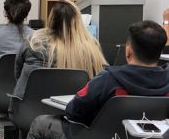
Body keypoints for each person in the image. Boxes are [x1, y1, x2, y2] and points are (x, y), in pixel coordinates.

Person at [27, 20, 169, 139]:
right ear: (160, 52)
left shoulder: (108, 79)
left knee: (40, 123)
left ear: (128, 50)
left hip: (99, 135)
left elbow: (74, 110)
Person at [12, 0, 106, 99]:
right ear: (78, 22)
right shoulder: (91, 48)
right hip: (68, 110)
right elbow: (101, 81)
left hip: (25, 109)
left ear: (51, 20)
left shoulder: (33, 43)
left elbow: (18, 74)